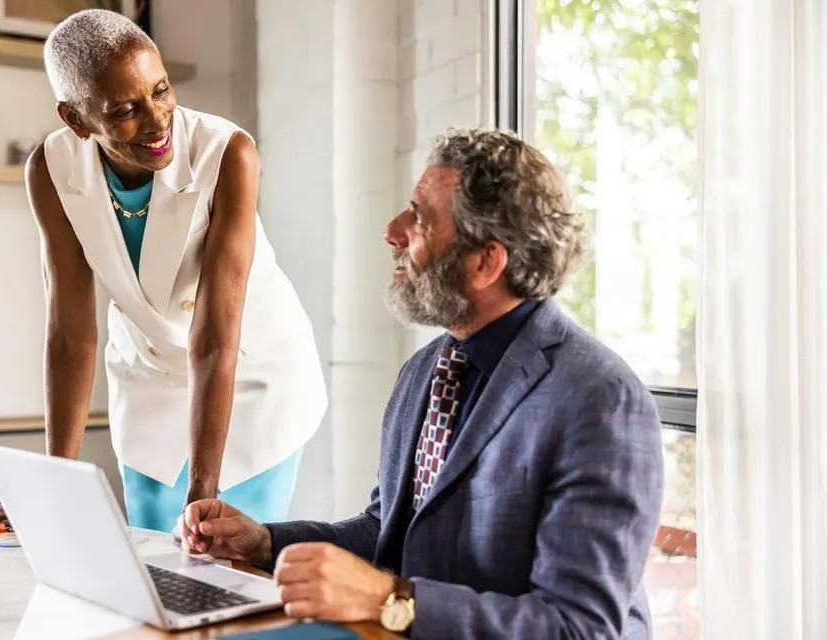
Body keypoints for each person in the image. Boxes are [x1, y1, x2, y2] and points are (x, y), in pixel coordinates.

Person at [180, 128, 665, 638]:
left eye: (420, 218)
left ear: (486, 263)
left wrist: (388, 599)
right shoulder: (426, 370)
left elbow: (581, 628)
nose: (392, 230)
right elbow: (387, 529)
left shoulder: (602, 401)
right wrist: (263, 543)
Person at [0, 9, 327, 535]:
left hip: (248, 378)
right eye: (125, 109)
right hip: (147, 379)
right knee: (148, 558)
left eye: (161, 91)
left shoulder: (228, 154)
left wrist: (202, 498)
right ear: (76, 119)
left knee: (228, 569)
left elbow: (215, 337)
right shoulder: (50, 169)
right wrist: (53, 486)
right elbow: (70, 334)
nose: (157, 119)